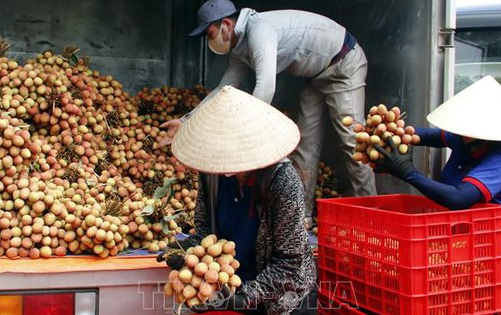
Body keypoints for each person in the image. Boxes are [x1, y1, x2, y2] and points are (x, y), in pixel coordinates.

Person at [159, 0, 376, 227]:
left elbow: (265, 87)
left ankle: (374, 216)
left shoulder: (259, 30)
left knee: (354, 143)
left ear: (225, 24)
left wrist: (246, 137)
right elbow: (225, 88)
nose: (209, 39)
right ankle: (301, 218)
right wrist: (186, 120)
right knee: (306, 146)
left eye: (209, 33)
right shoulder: (239, 46)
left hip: (343, 64)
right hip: (315, 77)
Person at [166, 85, 317, 314]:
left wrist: (246, 296)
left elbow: (290, 261)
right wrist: (185, 250)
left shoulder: (283, 182)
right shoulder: (212, 173)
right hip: (233, 290)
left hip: (280, 301)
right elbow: (206, 233)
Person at [374, 76, 501, 216]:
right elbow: (424, 136)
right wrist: (392, 133)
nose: (463, 131)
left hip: (479, 242)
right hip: (445, 231)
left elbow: (459, 198)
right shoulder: (465, 138)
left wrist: (408, 172)